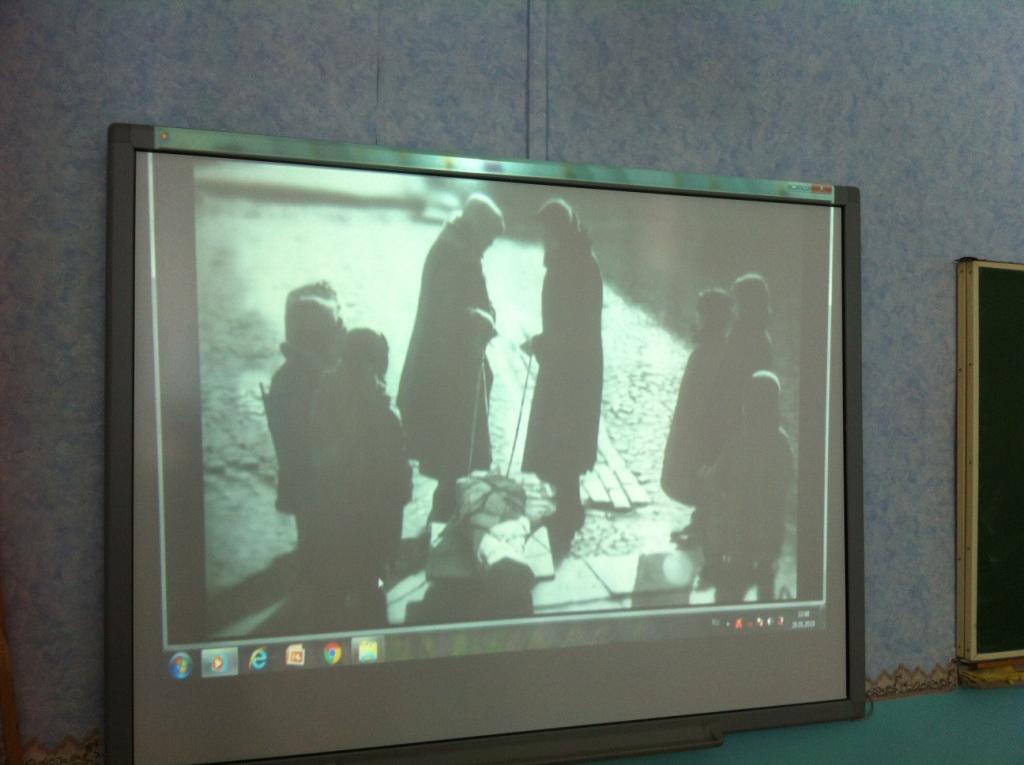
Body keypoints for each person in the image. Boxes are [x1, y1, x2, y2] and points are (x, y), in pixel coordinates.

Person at [398, 194, 505, 521]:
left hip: (460, 364)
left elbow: (477, 301)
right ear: (476, 228)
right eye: (488, 238)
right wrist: (479, 320)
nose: (488, 246)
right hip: (448, 369)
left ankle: (449, 512)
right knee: (453, 452)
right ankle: (444, 519)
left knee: (458, 454)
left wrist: (487, 315)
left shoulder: (461, 250)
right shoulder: (452, 255)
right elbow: (449, 312)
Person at [309, 328, 412, 630]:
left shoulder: (326, 392)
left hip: (334, 514)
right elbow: (395, 476)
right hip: (360, 519)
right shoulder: (374, 407)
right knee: (367, 595)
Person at [522, 199, 604, 558]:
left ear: (558, 230)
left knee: (564, 434)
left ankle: (570, 510)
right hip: (568, 363)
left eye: (547, 230)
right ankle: (567, 504)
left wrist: (542, 343)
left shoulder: (574, 263)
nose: (543, 236)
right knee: (561, 435)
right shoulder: (573, 258)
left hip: (571, 368)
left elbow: (573, 324)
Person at [264, 281, 344, 559]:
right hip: (319, 483)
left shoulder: (287, 377)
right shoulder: (317, 381)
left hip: (303, 482)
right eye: (337, 327)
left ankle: (311, 554)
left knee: (311, 535)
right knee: (320, 541)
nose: (343, 333)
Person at [702, 371, 794, 604]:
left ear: (748, 405)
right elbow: (788, 479)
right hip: (769, 533)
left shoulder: (738, 442)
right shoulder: (781, 442)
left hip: (739, 533)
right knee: (766, 584)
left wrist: (704, 474)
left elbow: (716, 478)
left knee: (731, 590)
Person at [661, 287, 734, 508]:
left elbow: (697, 400)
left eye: (701, 315)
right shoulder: (713, 350)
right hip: (696, 430)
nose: (698, 320)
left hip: (699, 431)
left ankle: (702, 515)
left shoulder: (709, 354)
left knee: (696, 479)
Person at [716, 273, 774, 445]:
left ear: (747, 305)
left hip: (734, 420)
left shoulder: (745, 339)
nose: (732, 310)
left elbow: (731, 382)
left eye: (736, 303)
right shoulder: (760, 338)